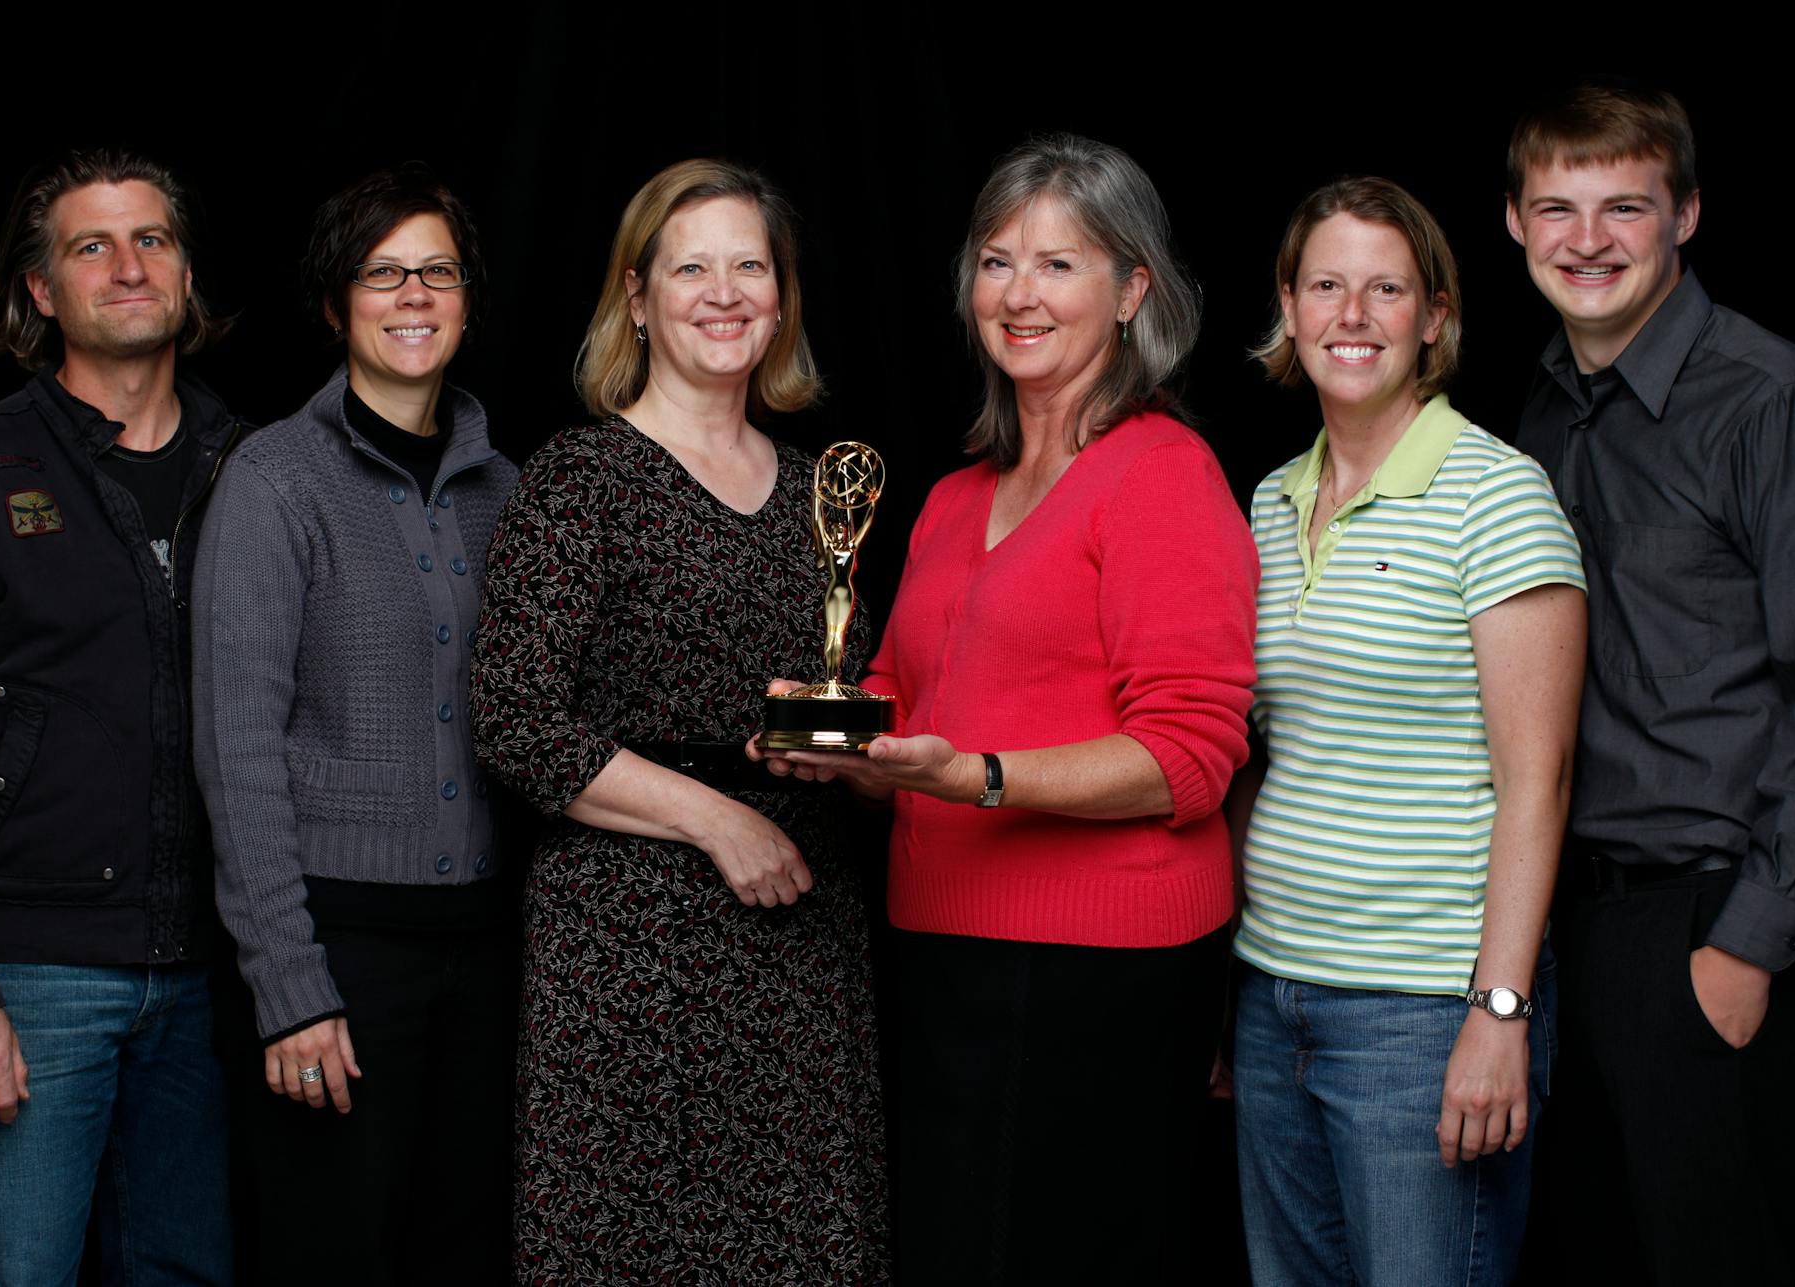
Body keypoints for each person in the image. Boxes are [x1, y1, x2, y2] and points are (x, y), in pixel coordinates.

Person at [760, 134, 1253, 1284]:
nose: (1019, 294)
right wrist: (832, 723)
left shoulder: (1162, 474)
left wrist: (975, 775)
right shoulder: (951, 495)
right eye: (996, 261)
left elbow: (1189, 759)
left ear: (1135, 291)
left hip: (1099, 965)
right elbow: (915, 692)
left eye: (1060, 264)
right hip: (943, 950)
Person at [1508, 81, 1795, 1286]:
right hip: (1573, 931)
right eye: (1557, 207)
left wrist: (1747, 946)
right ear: (1516, 225)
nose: (1588, 239)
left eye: (1624, 205)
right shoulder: (1540, 420)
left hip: (1718, 923)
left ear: (1685, 216)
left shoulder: (1777, 403)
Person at [469, 158, 888, 1282]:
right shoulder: (579, 478)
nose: (723, 290)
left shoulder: (823, 495)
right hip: (627, 953)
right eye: (689, 265)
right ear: (638, 297)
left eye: (749, 264)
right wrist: (718, 822)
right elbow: (514, 722)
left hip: (801, 937)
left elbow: (841, 701)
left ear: (782, 296)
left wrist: (847, 765)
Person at [0, 148, 239, 1285]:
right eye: (91, 246)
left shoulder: (251, 469)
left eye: (151, 239)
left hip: (207, 985)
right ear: (41, 291)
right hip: (26, 980)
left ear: (186, 273)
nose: (128, 267)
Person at [1227, 176, 1586, 1287]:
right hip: (1273, 996)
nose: (1352, 314)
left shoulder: (1498, 494)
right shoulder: (1270, 502)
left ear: (1434, 315)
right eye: (1326, 285)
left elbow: (1542, 778)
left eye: (1386, 289)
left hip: (1424, 1015)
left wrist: (1500, 1012)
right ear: (1289, 307)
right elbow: (1264, 755)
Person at [190, 163, 520, 1283]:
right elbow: (237, 754)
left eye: (437, 272)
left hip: (486, 954)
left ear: (469, 300)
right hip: (339, 956)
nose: (414, 296)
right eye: (383, 275)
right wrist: (290, 990)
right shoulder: (275, 481)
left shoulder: (512, 492)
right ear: (337, 306)